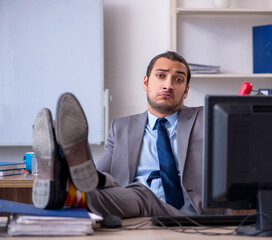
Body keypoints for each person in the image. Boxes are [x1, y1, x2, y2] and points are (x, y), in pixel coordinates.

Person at [32, 51, 227, 218]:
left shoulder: (208, 117)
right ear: (145, 82)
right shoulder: (121, 127)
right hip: (133, 213)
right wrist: (93, 177)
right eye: (161, 76)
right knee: (94, 183)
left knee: (141, 193)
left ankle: (65, 184)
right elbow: (98, 176)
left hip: (189, 216)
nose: (168, 85)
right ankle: (64, 180)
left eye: (178, 79)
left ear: (186, 91)